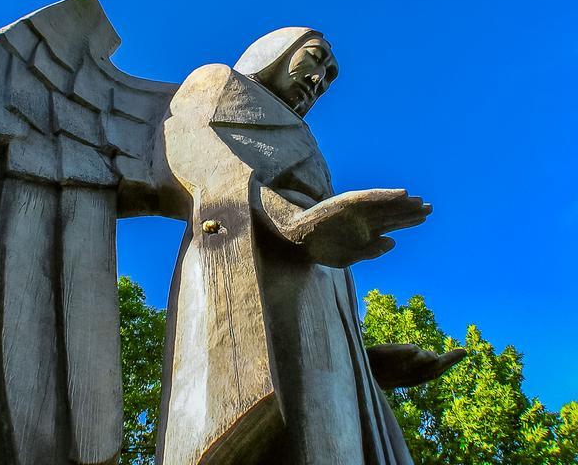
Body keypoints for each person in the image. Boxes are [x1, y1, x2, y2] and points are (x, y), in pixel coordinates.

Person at [155, 27, 464, 464]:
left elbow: (311, 358)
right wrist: (293, 222)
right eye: (314, 58)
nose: (319, 80)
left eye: (330, 75)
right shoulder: (216, 81)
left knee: (329, 437)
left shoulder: (305, 137)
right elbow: (199, 159)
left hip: (320, 274)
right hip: (243, 255)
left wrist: (366, 366)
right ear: (274, 52)